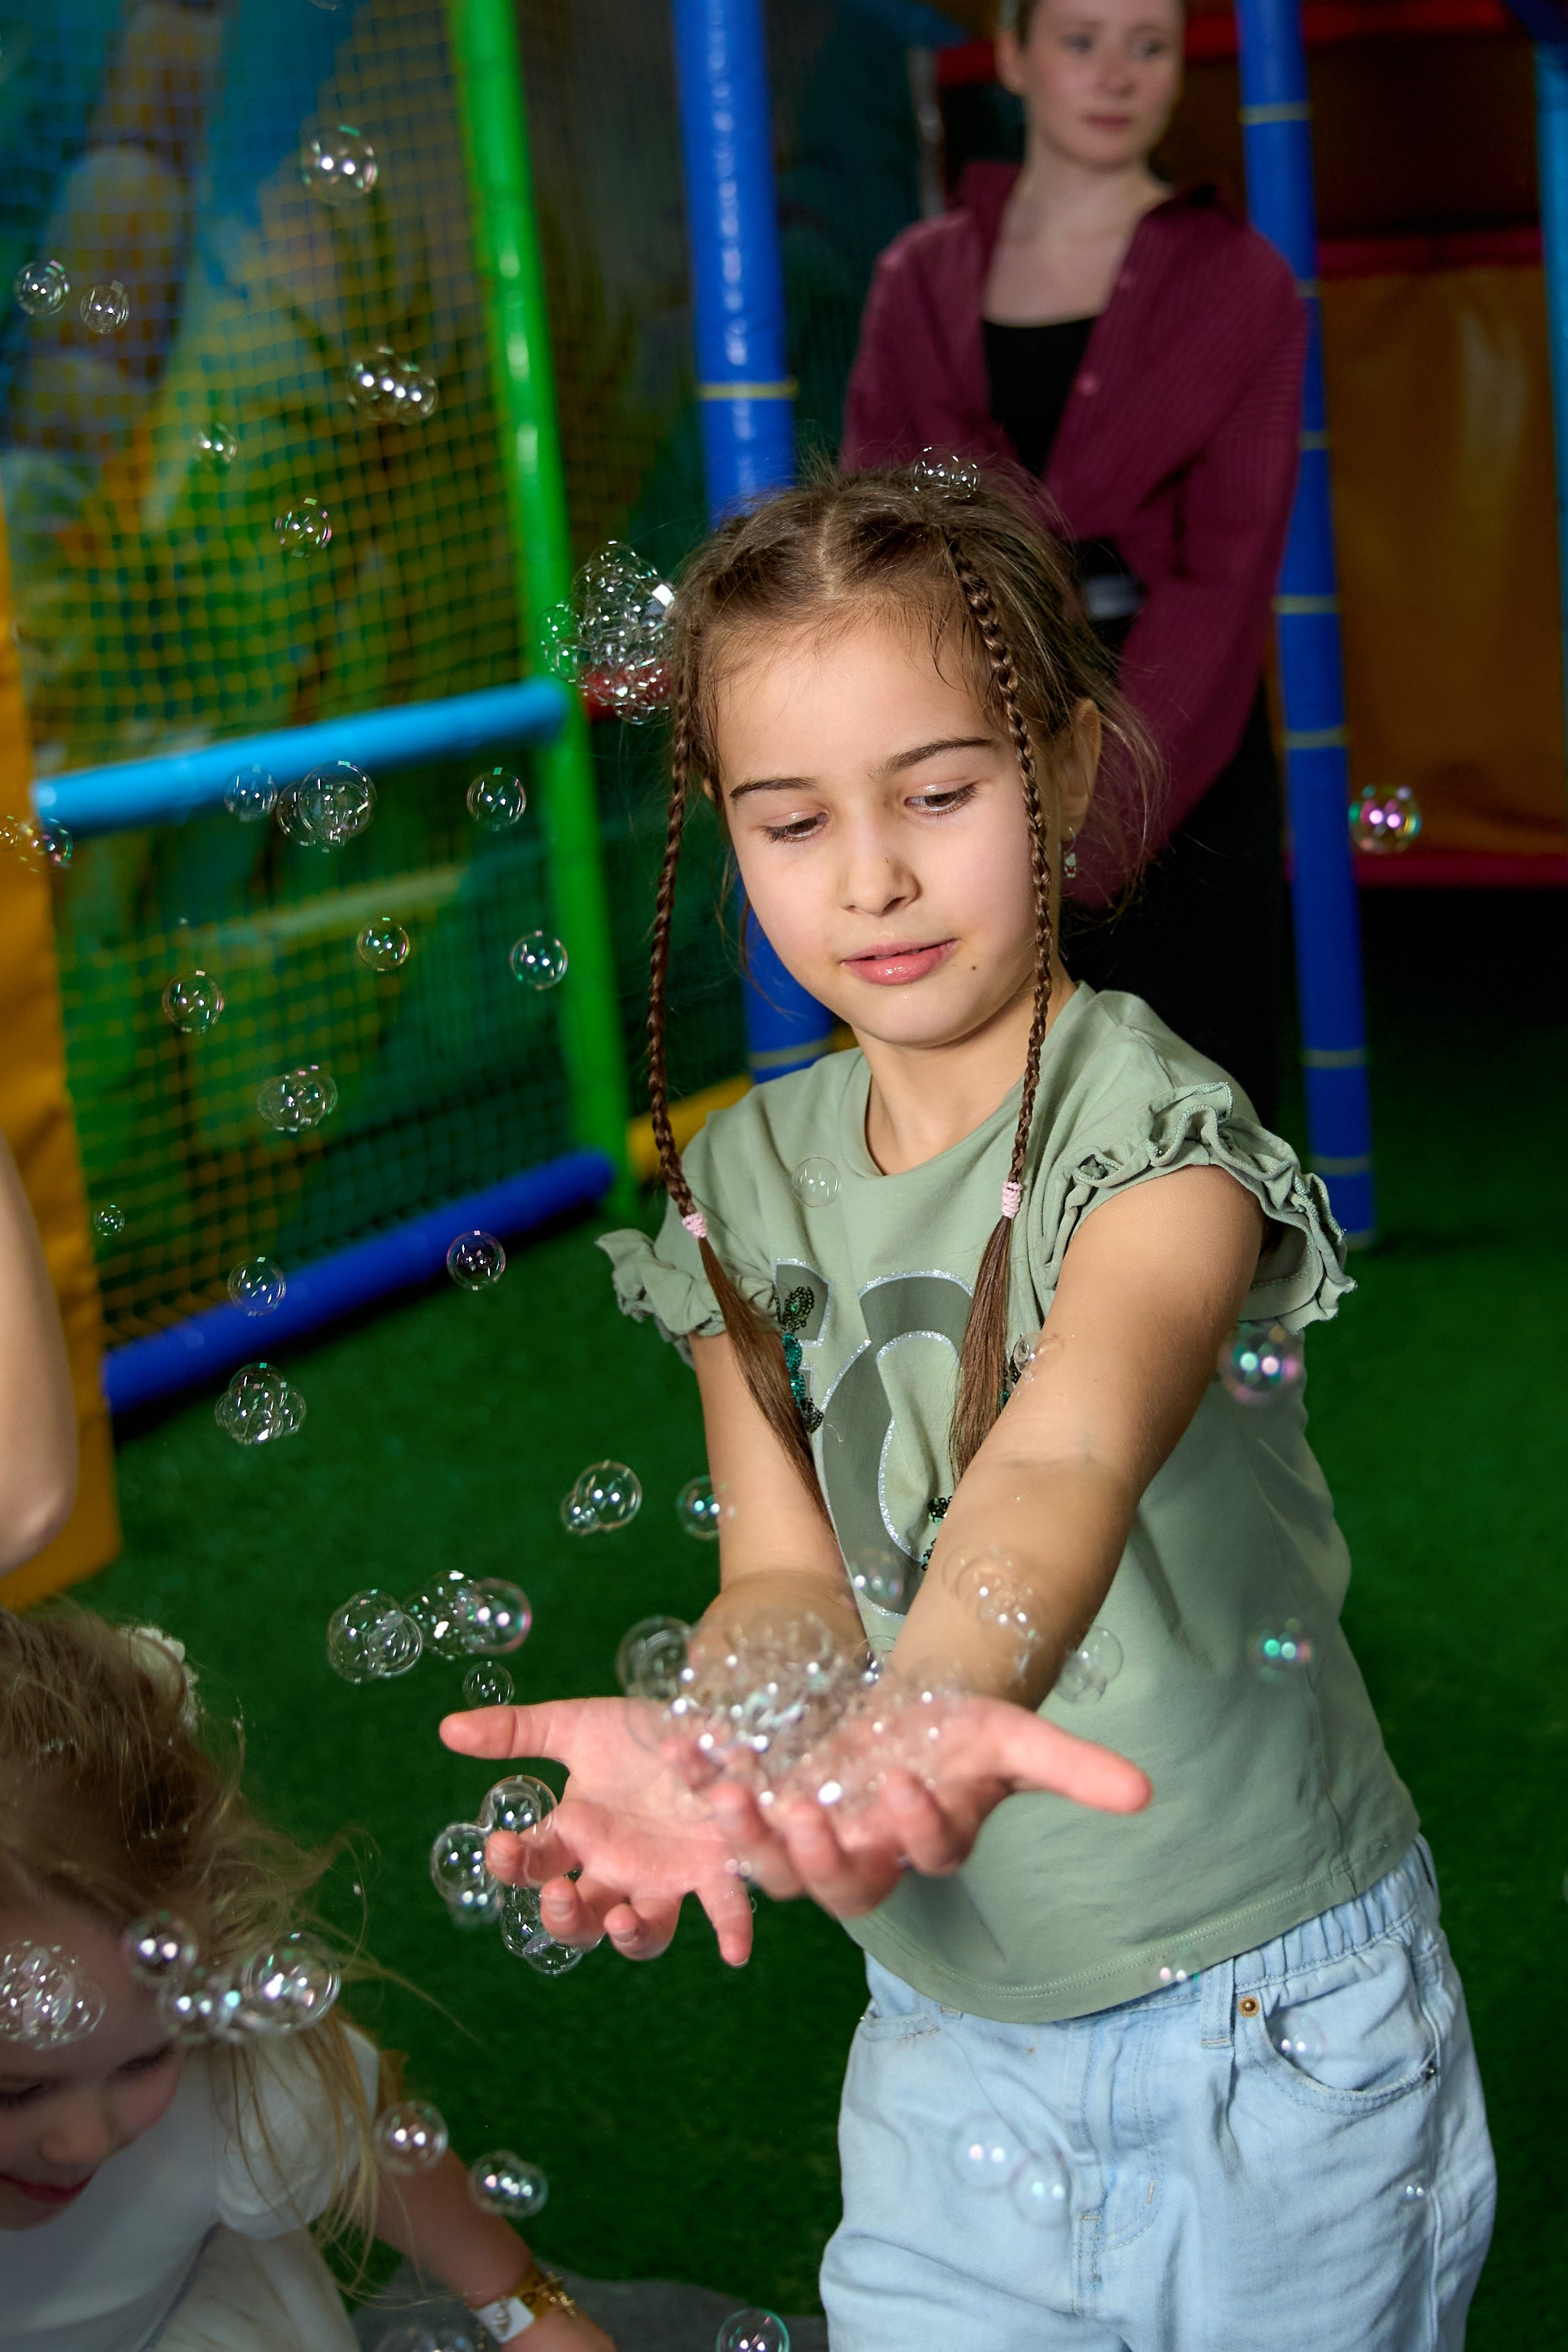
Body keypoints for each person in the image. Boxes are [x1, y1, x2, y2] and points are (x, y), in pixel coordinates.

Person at [444, 469, 1494, 2348]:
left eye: (937, 792)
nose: (869, 874)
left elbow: (1065, 1453)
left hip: (1262, 2027)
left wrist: (929, 1711)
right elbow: (780, 1571)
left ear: (1067, 774)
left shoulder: (1152, 1140)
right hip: (945, 2037)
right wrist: (732, 1731)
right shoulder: (738, 1188)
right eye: (790, 819)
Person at [840, 0, 1306, 1125]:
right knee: (980, 1089)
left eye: (1145, 45)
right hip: (963, 715)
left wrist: (1091, 821)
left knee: (1193, 1083)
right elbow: (876, 527)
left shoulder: (1239, 282)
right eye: (1077, 39)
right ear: (1010, 54)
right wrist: (944, 758)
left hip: (1174, 733)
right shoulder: (918, 276)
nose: (1113, 74)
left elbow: (1227, 568)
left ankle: (1232, 1300)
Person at [0, 1606, 614, 2352]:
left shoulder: (233, 2067)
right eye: (16, 2090)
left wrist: (533, 2315)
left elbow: (368, 2146)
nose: (82, 2140)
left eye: (147, 2058)